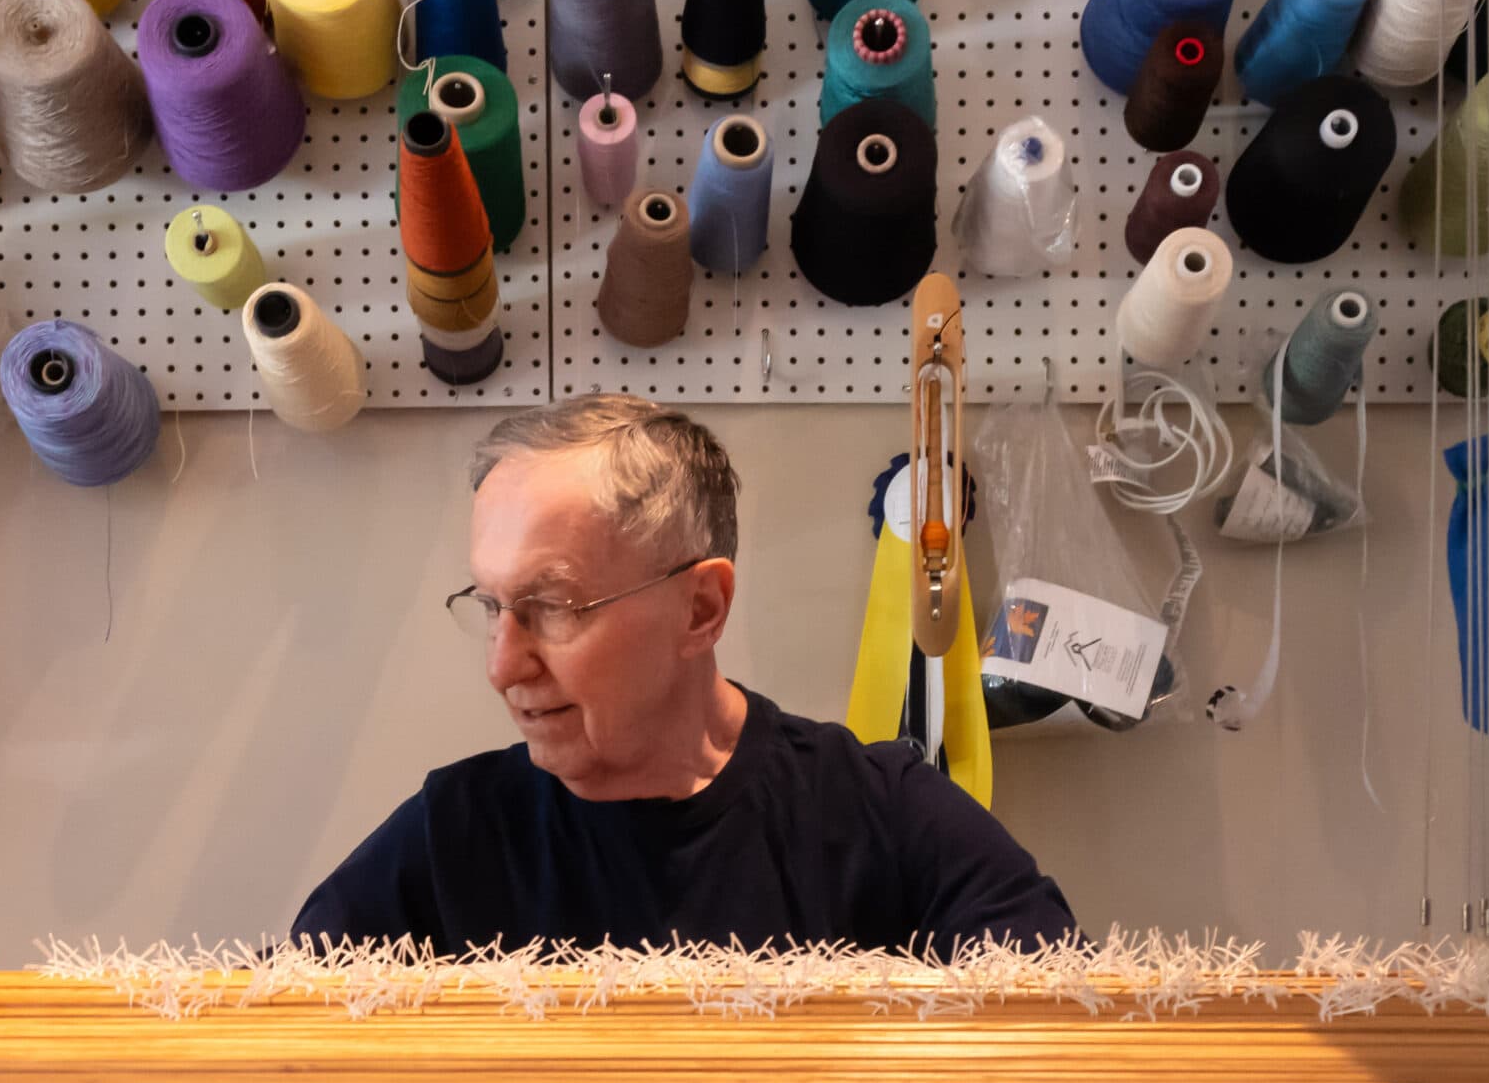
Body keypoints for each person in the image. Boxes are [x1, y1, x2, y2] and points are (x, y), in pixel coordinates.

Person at [293, 394, 1076, 955]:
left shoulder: (878, 814)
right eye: (492, 604)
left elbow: (1057, 1024)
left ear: (701, 608)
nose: (502, 666)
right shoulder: (454, 833)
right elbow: (273, 1035)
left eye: (555, 605)